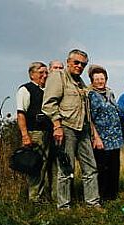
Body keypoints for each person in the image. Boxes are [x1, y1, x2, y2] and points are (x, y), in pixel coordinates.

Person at [42, 49, 101, 209]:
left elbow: (86, 109)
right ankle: (64, 206)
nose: (79, 66)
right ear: (68, 62)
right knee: (66, 168)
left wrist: (93, 133)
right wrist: (57, 126)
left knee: (90, 167)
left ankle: (93, 203)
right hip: (66, 128)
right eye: (76, 62)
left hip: (83, 129)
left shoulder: (80, 82)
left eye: (83, 64)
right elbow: (48, 104)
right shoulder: (58, 77)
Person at [16, 61, 54, 202]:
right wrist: (25, 135)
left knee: (50, 166)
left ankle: (50, 198)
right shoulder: (25, 90)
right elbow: (21, 114)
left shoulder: (48, 90)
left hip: (49, 133)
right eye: (41, 73)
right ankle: (34, 200)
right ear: (32, 75)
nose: (44, 76)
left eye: (46, 73)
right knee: (36, 166)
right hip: (35, 133)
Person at [88, 65, 124, 202]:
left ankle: (113, 196)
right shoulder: (91, 95)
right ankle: (102, 196)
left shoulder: (110, 93)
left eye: (102, 78)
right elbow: (90, 118)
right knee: (102, 168)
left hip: (115, 138)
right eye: (96, 79)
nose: (99, 81)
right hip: (101, 138)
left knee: (114, 168)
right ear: (92, 80)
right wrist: (96, 137)